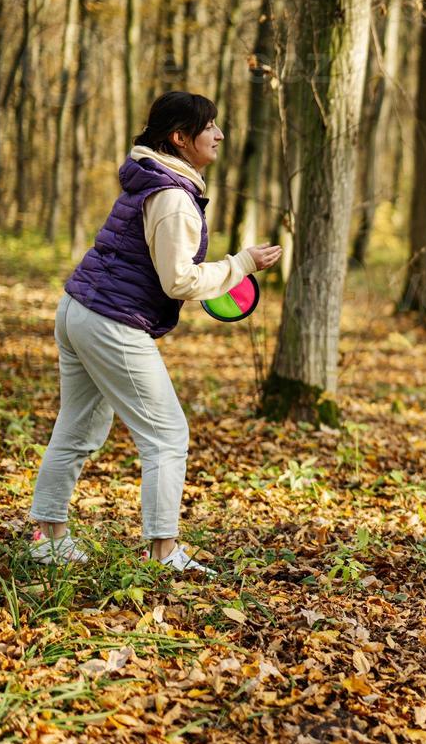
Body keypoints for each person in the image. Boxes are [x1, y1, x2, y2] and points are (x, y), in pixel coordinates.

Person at [27, 92, 283, 575]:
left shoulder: (153, 181)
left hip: (78, 308)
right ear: (180, 138)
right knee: (167, 436)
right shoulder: (172, 198)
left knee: (77, 427)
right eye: (209, 126)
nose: (219, 135)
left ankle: (46, 536)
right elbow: (179, 281)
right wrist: (241, 264)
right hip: (111, 320)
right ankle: (164, 553)